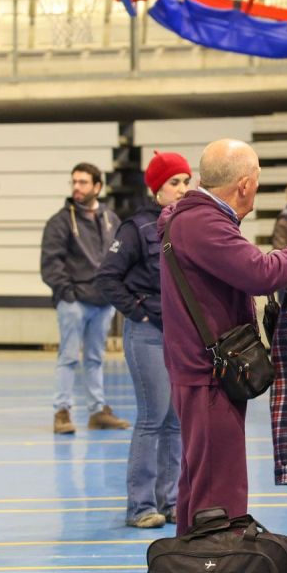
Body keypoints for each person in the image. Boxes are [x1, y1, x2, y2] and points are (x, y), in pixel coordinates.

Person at [159, 139, 287, 534]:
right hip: (208, 374)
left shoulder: (194, 218)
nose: (255, 188)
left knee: (200, 483)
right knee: (219, 492)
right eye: (255, 180)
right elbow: (260, 272)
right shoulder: (203, 223)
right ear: (243, 185)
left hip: (202, 370)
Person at [93, 152, 191, 529]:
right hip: (148, 333)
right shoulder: (135, 228)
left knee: (176, 421)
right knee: (153, 418)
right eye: (174, 183)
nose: (183, 189)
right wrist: (141, 312)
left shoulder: (188, 224)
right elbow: (107, 278)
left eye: (186, 181)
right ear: (157, 188)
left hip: (181, 335)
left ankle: (170, 502)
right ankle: (140, 506)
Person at [40, 162, 131, 434]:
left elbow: (120, 256)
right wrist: (66, 294)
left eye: (83, 182)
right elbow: (50, 263)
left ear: (97, 187)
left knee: (95, 358)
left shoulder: (110, 219)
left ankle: (97, 410)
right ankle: (62, 411)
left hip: (103, 302)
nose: (77, 187)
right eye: (74, 182)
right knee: (68, 358)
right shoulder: (60, 221)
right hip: (75, 301)